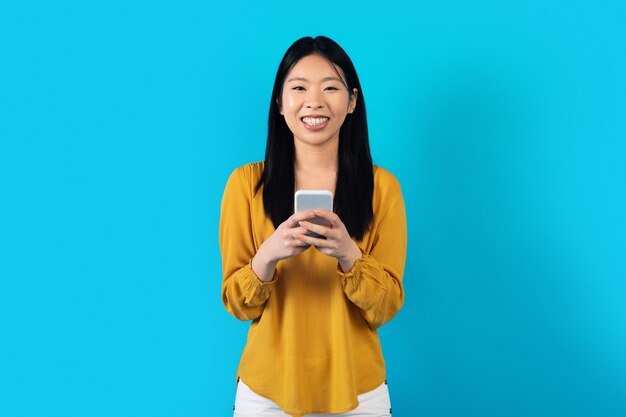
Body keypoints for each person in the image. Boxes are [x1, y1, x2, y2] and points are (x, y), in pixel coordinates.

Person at [219, 36, 407, 417]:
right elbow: (237, 305)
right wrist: (268, 256)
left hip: (359, 393)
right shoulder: (245, 185)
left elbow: (386, 308)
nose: (314, 101)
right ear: (280, 102)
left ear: (352, 101)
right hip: (267, 395)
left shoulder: (383, 188)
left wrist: (349, 254)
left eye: (331, 87)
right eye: (299, 87)